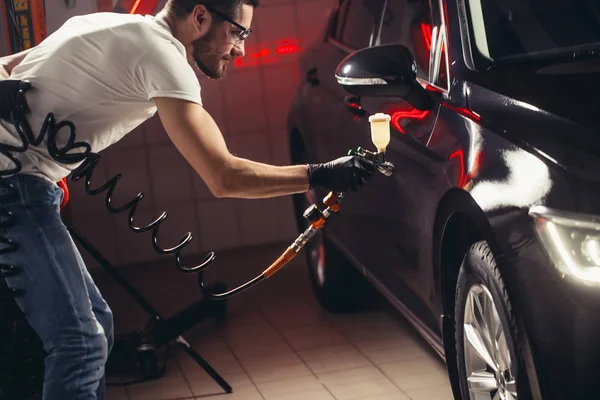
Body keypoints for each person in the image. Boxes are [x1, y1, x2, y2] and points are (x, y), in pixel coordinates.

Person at [0, 0, 375, 399]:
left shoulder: (103, 23)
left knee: (97, 324)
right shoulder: (163, 56)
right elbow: (224, 177)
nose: (241, 49)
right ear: (200, 17)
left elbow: (6, 64)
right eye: (238, 32)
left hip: (24, 181)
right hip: (15, 185)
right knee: (80, 343)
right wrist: (323, 173)